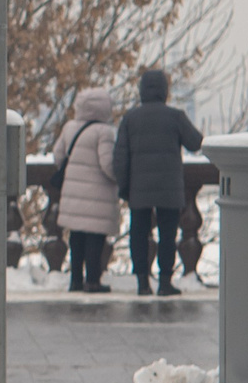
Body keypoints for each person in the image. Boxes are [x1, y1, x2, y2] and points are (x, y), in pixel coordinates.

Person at [113, 68, 205, 296]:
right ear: (165, 91)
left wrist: (124, 188)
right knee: (167, 235)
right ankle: (165, 282)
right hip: (169, 189)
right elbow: (195, 143)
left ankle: (142, 282)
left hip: (139, 189)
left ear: (142, 90)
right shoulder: (176, 117)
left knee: (139, 235)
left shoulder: (130, 119)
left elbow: (120, 158)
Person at [48, 87, 121, 292]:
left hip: (73, 193)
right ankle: (92, 281)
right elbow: (108, 165)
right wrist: (119, 177)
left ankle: (75, 280)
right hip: (98, 194)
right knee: (95, 238)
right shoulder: (104, 132)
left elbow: (58, 155)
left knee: (76, 237)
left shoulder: (70, 127)